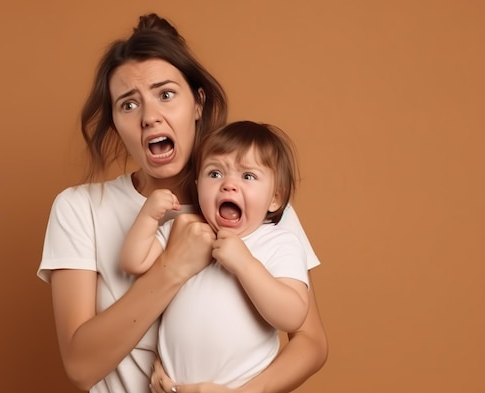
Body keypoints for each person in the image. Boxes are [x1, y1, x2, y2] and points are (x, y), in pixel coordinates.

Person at [37, 13, 327, 393]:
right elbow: (79, 366)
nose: (150, 117)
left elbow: (311, 342)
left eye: (166, 94)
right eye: (128, 105)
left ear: (197, 103)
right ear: (115, 122)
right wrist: (173, 267)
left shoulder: (255, 203)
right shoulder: (79, 209)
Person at [120, 121, 311, 387]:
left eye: (248, 177)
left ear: (275, 198)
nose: (228, 185)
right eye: (215, 174)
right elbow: (133, 261)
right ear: (198, 186)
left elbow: (293, 315)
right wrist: (148, 217)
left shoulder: (279, 242)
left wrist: (245, 265)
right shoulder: (184, 231)